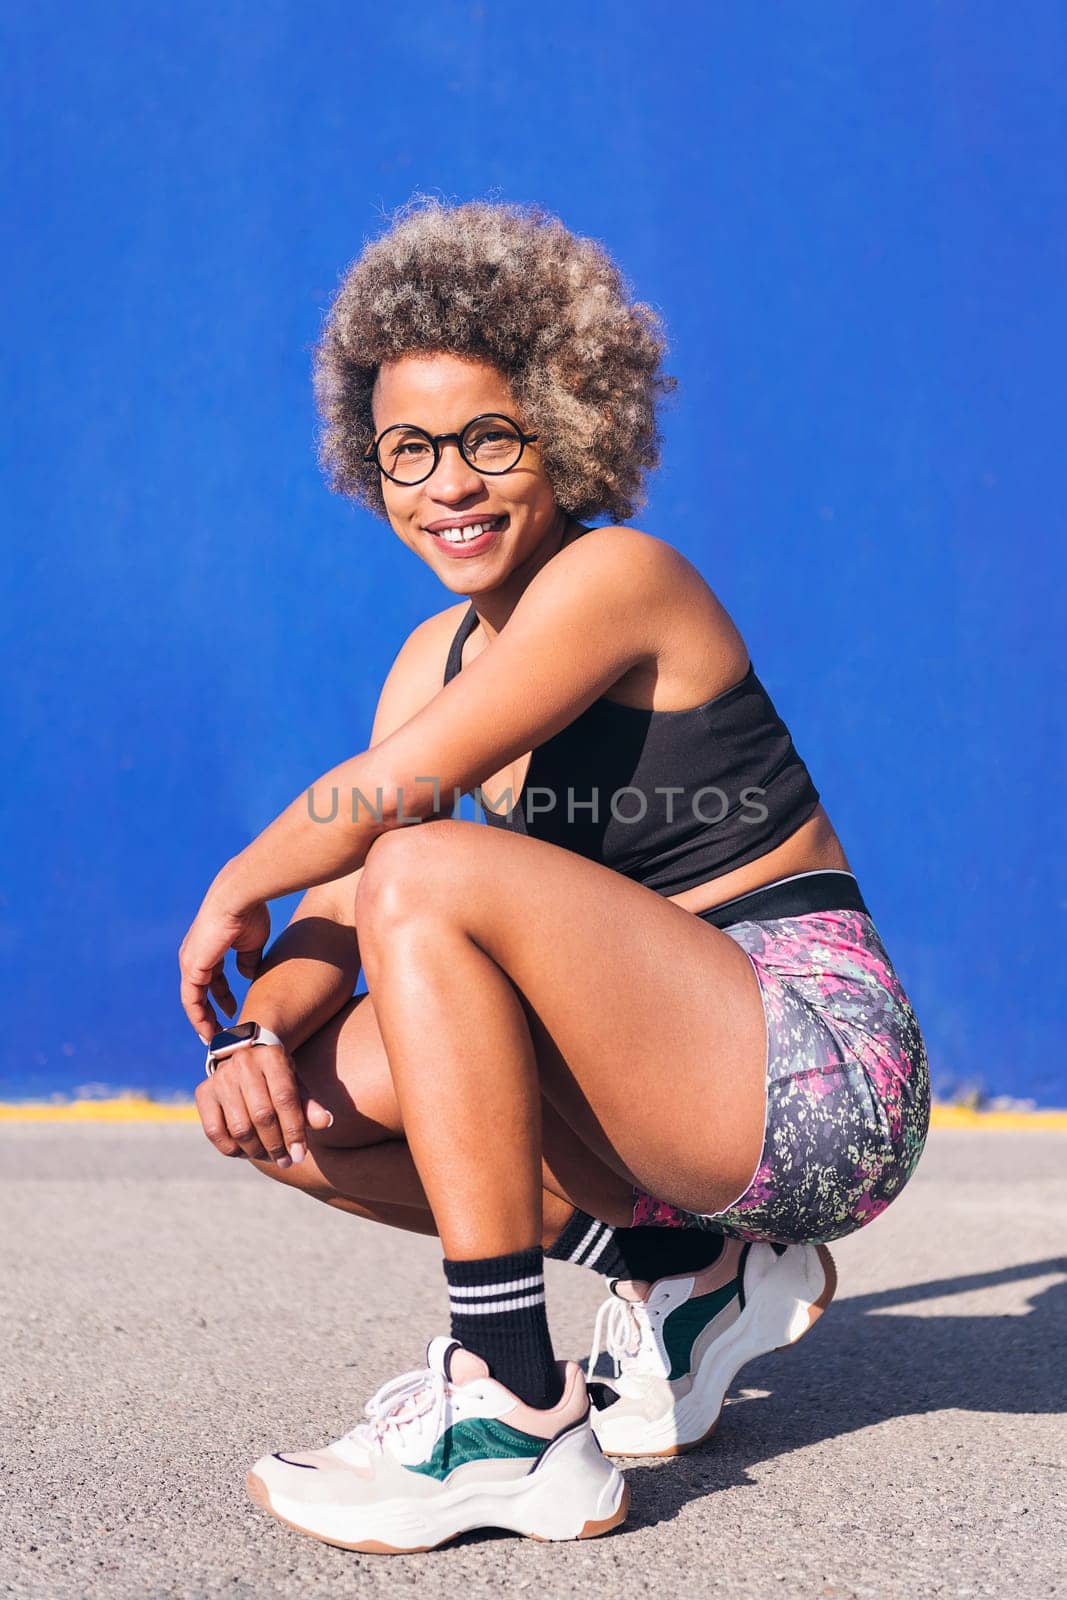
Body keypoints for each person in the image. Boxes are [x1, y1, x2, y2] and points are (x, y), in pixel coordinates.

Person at [178, 198, 930, 1554]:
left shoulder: (621, 579)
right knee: (302, 1110)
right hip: (665, 1102)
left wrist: (239, 874)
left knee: (427, 861)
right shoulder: (432, 661)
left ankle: (511, 1411)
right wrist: (253, 1030)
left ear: (570, 429)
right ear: (371, 465)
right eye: (410, 451)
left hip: (813, 1069)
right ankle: (681, 1269)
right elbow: (346, 902)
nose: (448, 484)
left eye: (490, 440)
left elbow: (388, 820)